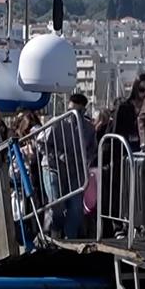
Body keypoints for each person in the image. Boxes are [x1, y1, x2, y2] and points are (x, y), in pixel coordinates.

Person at [41, 94, 96, 240]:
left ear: (84, 111)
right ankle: (54, 232)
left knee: (77, 208)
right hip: (53, 168)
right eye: (71, 110)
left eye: (79, 111)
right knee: (56, 205)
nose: (74, 115)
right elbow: (41, 143)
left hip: (75, 170)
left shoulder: (89, 128)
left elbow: (93, 148)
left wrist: (87, 159)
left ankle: (70, 238)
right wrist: (58, 155)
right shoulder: (56, 123)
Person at [114, 73, 145, 152]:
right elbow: (117, 131)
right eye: (141, 90)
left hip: (143, 149)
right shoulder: (124, 107)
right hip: (125, 149)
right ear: (136, 89)